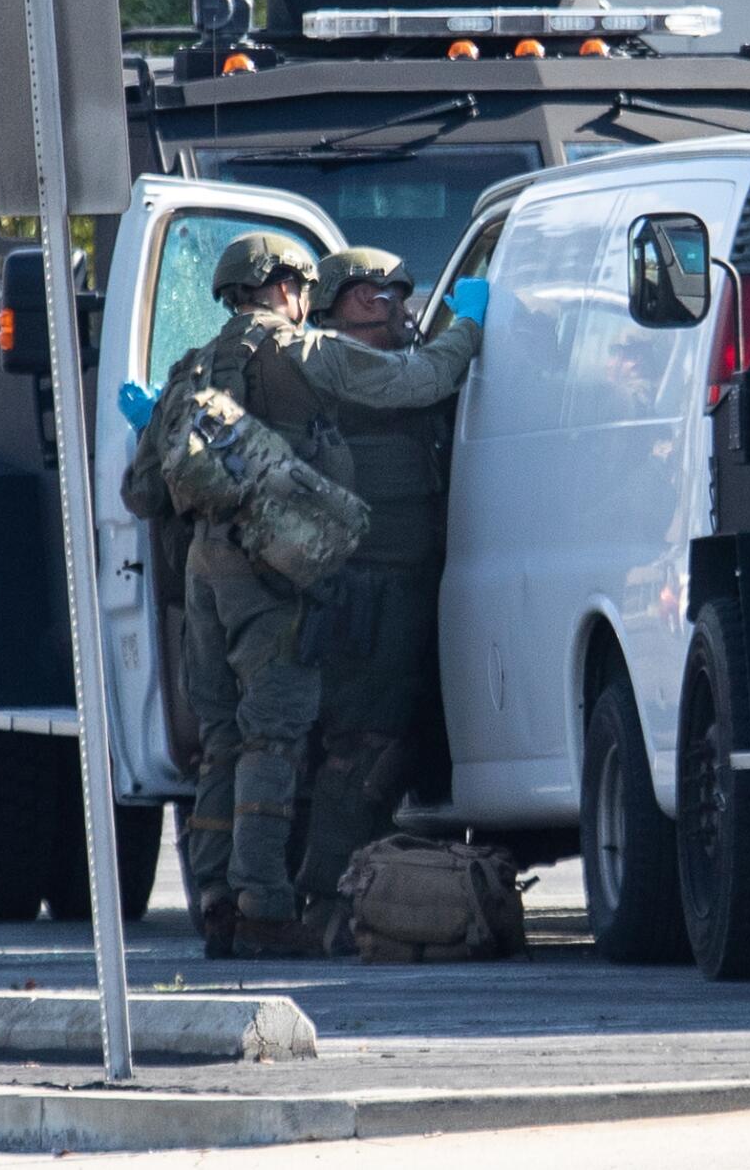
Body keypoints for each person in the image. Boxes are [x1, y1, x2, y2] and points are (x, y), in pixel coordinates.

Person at [163, 232, 488, 959]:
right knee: (274, 736)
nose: (307, 302)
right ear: (283, 287)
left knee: (221, 742)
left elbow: (147, 486)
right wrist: (468, 327)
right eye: (303, 289)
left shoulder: (193, 367)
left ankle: (214, 896)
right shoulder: (300, 353)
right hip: (271, 570)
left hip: (206, 565)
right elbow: (416, 383)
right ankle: (263, 906)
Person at [291, 248, 457, 952]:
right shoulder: (339, 367)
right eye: (367, 294)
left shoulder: (394, 361)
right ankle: (326, 901)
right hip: (367, 589)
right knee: (362, 750)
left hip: (412, 581)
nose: (386, 303)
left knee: (389, 744)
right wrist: (463, 331)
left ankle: (361, 895)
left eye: (394, 291)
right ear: (329, 308)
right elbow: (420, 381)